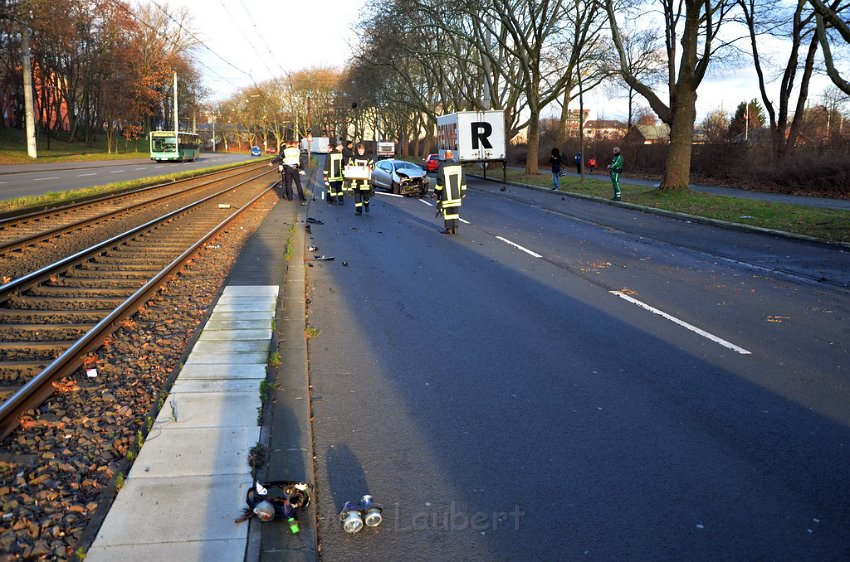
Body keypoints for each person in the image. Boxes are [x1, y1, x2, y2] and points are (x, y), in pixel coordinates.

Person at [434, 149, 467, 234]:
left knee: (447, 212)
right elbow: (463, 181)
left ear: (444, 156)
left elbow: (439, 182)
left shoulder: (442, 166)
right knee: (455, 212)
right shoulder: (459, 166)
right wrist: (463, 193)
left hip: (446, 196)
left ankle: (449, 229)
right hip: (457, 195)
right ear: (452, 156)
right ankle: (455, 228)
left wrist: (436, 192)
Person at [350, 143, 374, 215]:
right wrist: (349, 166)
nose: (360, 151)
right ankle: (358, 211)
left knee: (366, 197)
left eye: (362, 149)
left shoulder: (368, 157)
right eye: (359, 150)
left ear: (364, 149)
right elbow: (351, 166)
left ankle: (366, 205)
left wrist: (371, 166)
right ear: (357, 150)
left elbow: (373, 166)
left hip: (365, 182)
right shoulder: (354, 157)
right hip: (356, 181)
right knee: (357, 198)